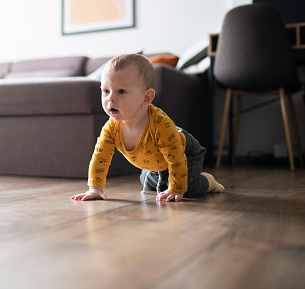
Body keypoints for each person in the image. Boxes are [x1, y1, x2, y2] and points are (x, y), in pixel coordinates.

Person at [70, 54, 224, 202]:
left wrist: (176, 189)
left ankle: (206, 181)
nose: (110, 98)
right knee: (149, 185)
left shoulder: (160, 125)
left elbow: (176, 158)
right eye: (106, 90)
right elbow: (100, 157)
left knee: (185, 189)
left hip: (184, 152)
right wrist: (95, 188)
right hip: (156, 161)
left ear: (146, 98)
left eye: (121, 91)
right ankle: (166, 178)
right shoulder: (110, 128)